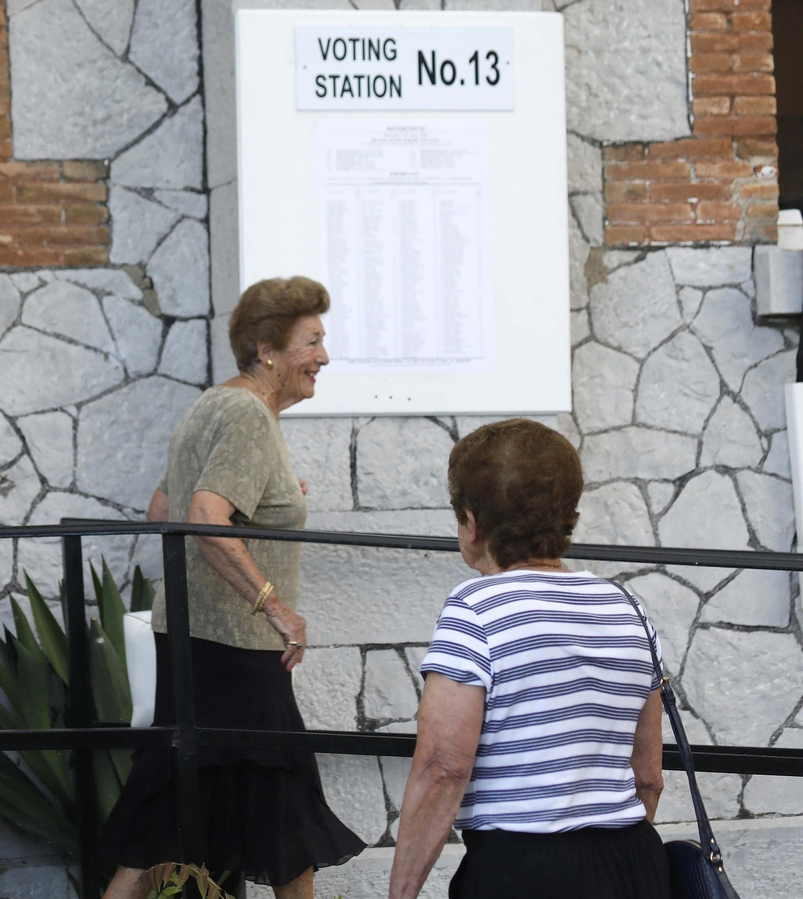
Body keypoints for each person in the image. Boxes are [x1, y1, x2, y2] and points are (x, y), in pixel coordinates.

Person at [102, 277, 364, 899]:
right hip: (239, 650)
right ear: (267, 348)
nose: (324, 357)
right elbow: (202, 515)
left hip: (195, 644)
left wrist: (273, 499)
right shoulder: (248, 414)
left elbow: (160, 508)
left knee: (168, 817)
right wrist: (275, 608)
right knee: (285, 813)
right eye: (313, 342)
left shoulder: (214, 404)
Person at [389, 420, 668, 899]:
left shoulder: (476, 608)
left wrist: (401, 894)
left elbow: (443, 768)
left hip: (522, 870)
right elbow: (649, 776)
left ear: (472, 523)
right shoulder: (627, 607)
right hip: (634, 862)